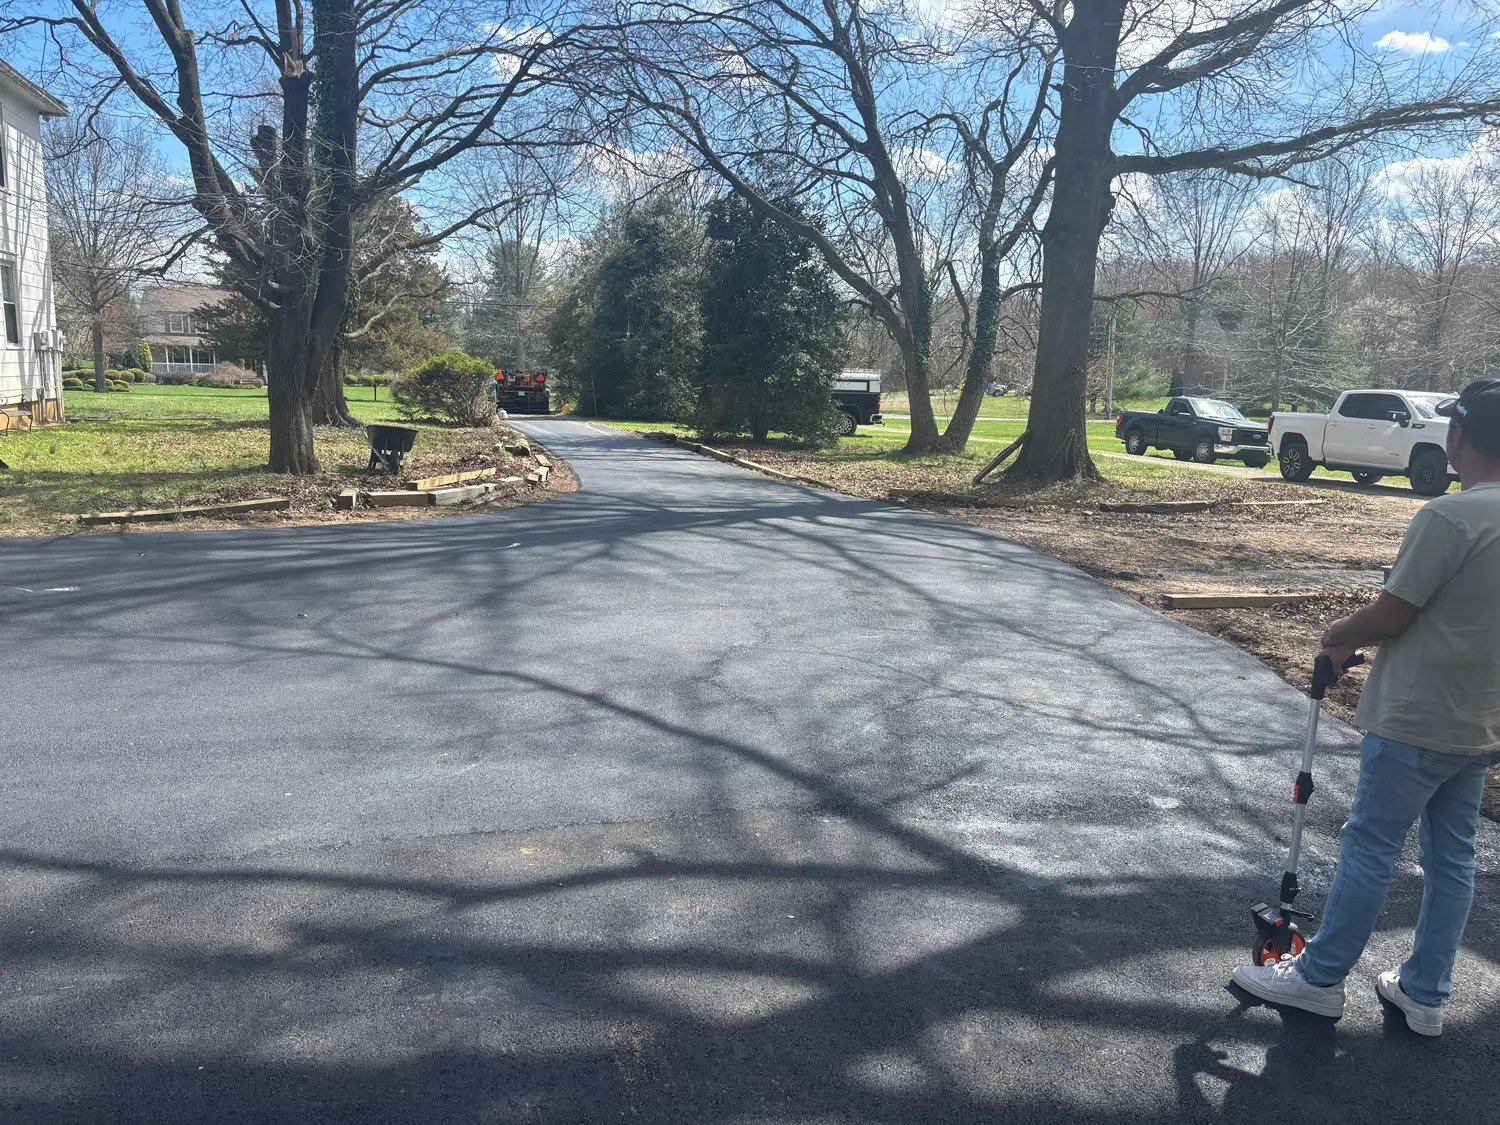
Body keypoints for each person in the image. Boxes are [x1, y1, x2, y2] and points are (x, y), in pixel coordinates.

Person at [1233, 378, 1500, 1037]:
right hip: (1479, 721)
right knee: (1452, 857)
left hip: (1415, 718)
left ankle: (1318, 980)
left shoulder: (1450, 517)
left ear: (1456, 435)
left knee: (1371, 847)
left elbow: (1394, 611)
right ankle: (1425, 991)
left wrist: (1338, 636)